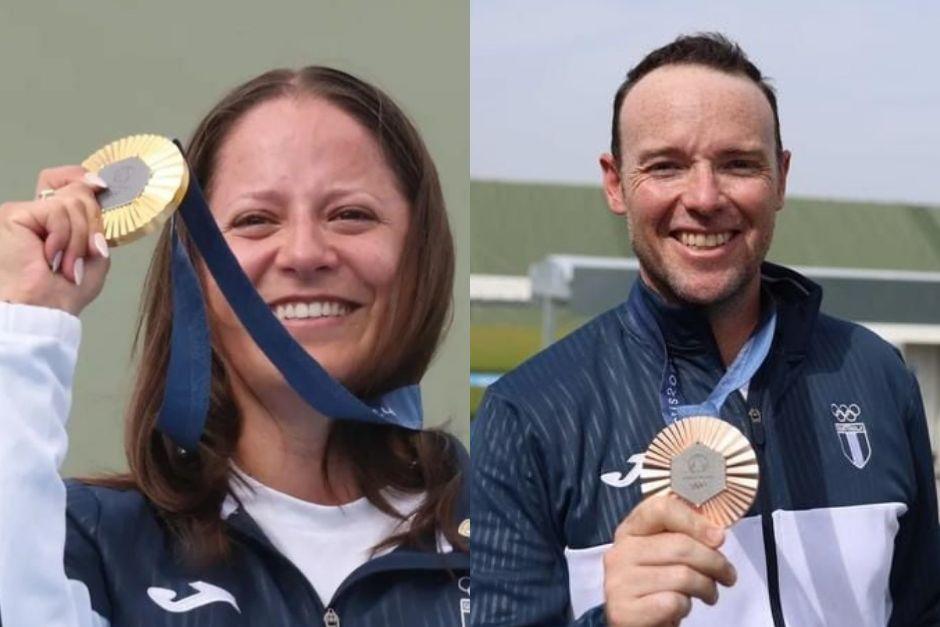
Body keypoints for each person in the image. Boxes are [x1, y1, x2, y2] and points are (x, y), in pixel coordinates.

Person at [471, 33, 940, 626]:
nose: (704, 197)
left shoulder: (875, 373)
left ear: (781, 178)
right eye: (665, 166)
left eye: (738, 164)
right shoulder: (529, 414)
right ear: (615, 183)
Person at [0, 66, 469, 626]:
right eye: (254, 221)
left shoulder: (516, 526)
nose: (303, 253)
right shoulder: (89, 545)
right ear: (194, 272)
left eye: (351, 215)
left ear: (421, 253)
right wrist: (25, 323)